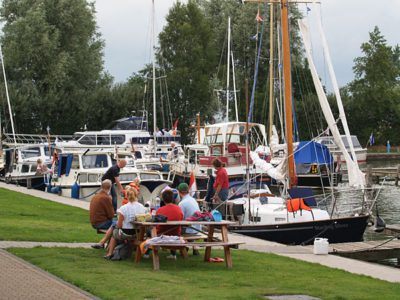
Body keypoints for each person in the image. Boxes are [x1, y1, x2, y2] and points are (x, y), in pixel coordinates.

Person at [104, 188, 146, 260]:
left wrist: (116, 226)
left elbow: (119, 225)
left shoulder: (123, 208)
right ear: (136, 195)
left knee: (114, 234)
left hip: (125, 233)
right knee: (116, 231)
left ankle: (110, 253)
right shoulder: (142, 207)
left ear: (126, 196)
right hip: (138, 233)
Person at [155, 189, 184, 259]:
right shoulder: (179, 209)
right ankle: (173, 254)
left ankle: (146, 253)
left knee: (150, 231)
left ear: (163, 199)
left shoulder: (160, 210)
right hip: (176, 234)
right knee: (171, 229)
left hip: (161, 234)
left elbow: (155, 224)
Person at [90, 179, 115, 249]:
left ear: (101, 187)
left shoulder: (95, 196)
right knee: (119, 223)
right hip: (101, 223)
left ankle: (104, 244)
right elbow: (111, 215)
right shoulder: (106, 198)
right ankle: (110, 245)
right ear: (110, 188)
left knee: (117, 223)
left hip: (94, 222)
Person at [177, 183, 201, 256]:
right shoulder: (194, 200)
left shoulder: (182, 203)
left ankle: (184, 247)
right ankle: (195, 248)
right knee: (188, 223)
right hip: (197, 228)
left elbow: (179, 219)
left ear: (179, 192)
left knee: (174, 228)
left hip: (189, 229)